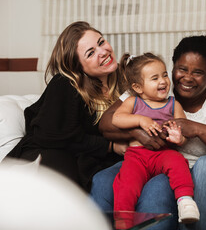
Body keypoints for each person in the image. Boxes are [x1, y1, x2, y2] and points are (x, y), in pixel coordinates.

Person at [95, 35, 206, 230]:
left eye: (198, 72)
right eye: (181, 69)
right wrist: (139, 132)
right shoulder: (151, 83)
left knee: (156, 190)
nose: (187, 78)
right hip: (138, 157)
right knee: (102, 180)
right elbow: (107, 122)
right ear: (173, 67)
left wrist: (197, 129)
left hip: (175, 164)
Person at [5, 21, 122, 192]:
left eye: (101, 42)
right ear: (77, 66)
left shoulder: (124, 83)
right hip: (45, 157)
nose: (103, 52)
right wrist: (110, 146)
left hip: (89, 159)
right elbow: (55, 135)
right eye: (90, 53)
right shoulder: (66, 83)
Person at [111, 52, 200, 225]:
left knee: (178, 162)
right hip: (137, 156)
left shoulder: (174, 104)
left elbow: (184, 131)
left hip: (164, 153)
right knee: (126, 184)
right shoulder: (133, 102)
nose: (163, 81)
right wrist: (140, 119)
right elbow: (117, 119)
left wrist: (179, 138)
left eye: (165, 75)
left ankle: (185, 201)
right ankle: (123, 220)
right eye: (155, 78)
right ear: (138, 87)